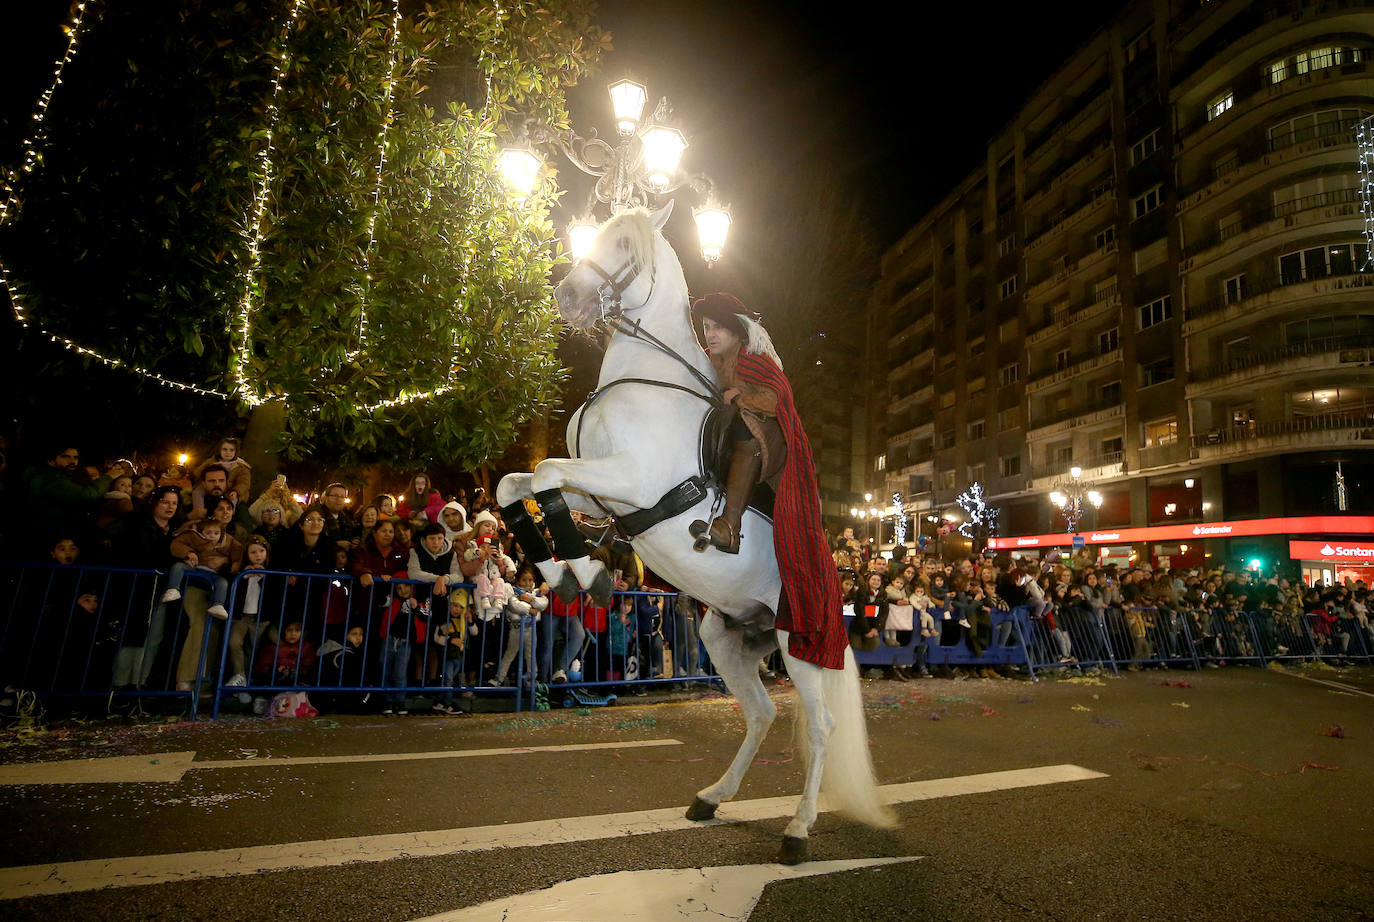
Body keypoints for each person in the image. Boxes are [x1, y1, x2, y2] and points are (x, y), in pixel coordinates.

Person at [685, 293, 847, 670]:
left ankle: (731, 524)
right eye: (706, 327)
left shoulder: (754, 359)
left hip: (771, 442)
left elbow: (777, 401)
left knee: (746, 430)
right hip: (733, 429)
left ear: (736, 329)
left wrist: (739, 394)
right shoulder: (713, 361)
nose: (710, 334)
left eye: (718, 327)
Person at [192, 438, 252, 508]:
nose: (228, 452)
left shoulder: (241, 466)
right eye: (225, 449)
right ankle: (199, 510)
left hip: (231, 488)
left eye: (231, 450)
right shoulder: (212, 461)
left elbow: (244, 483)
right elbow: (199, 472)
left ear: (236, 452)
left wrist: (236, 491)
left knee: (232, 498)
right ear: (220, 450)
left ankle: (230, 514)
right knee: (198, 491)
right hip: (213, 486)